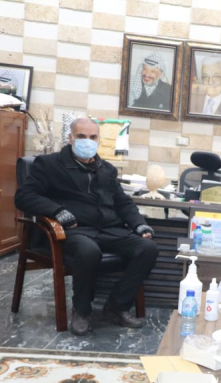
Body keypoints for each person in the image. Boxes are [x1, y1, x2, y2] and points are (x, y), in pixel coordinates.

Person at [15, 118, 158, 336]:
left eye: (93, 137)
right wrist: (57, 211)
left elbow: (123, 202)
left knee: (148, 248)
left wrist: (139, 225)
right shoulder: (49, 165)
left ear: (99, 139)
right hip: (73, 230)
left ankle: (117, 305)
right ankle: (81, 311)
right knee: (88, 250)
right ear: (70, 138)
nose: (87, 141)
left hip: (108, 229)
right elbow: (24, 196)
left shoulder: (107, 169)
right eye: (81, 136)